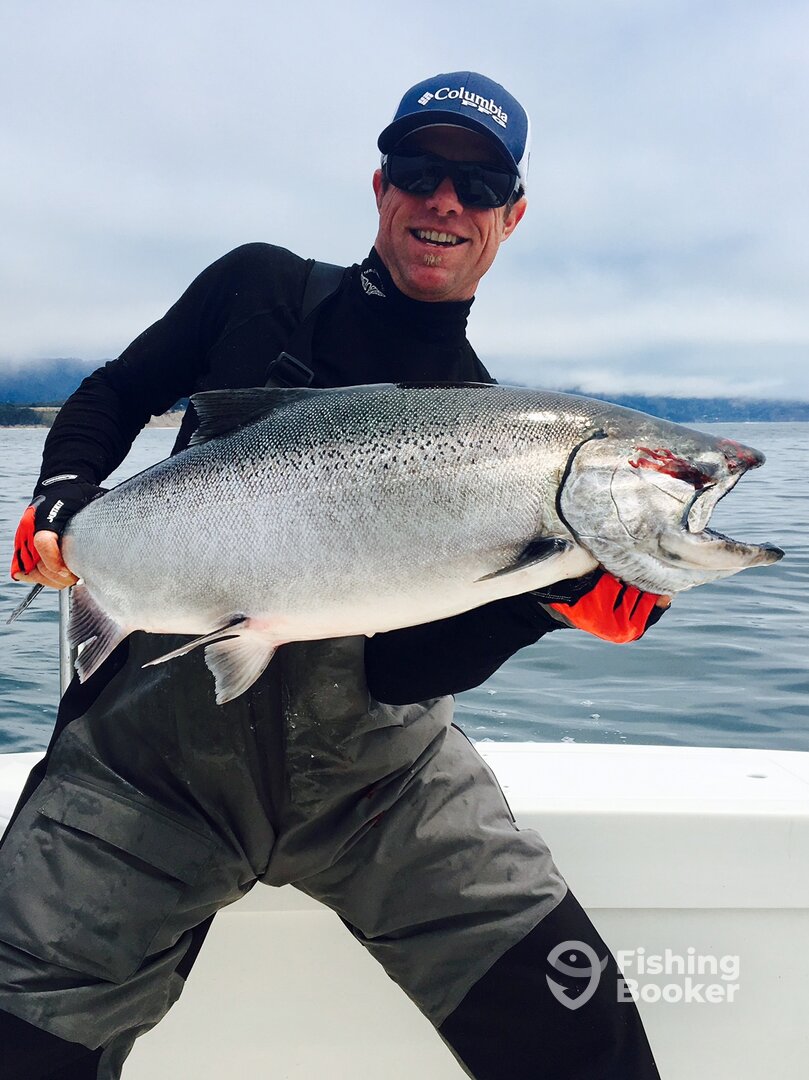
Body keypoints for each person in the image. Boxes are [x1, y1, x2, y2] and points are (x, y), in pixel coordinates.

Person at [2, 72, 667, 1079]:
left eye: (479, 183)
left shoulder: (493, 429)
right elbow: (118, 391)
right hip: (150, 772)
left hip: (379, 785)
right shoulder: (258, 288)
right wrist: (59, 499)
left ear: (511, 215)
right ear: (380, 186)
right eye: (420, 169)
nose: (445, 200)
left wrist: (550, 594)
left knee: (585, 1040)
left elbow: (404, 671)